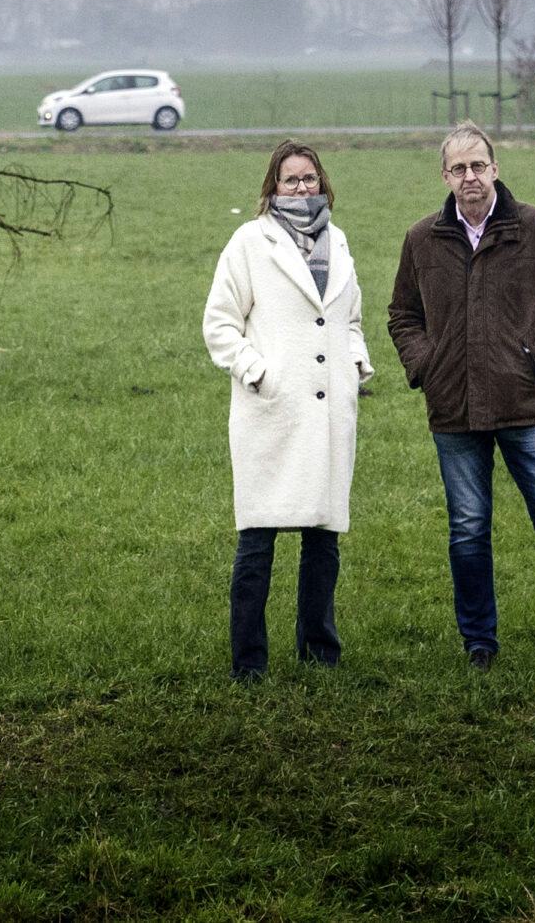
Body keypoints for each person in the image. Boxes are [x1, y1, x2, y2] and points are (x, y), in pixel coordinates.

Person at [386, 123, 535, 676]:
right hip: (454, 408)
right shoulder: (422, 239)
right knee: (468, 529)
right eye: (458, 168)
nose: (469, 177)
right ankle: (480, 645)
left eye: (478, 166)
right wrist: (426, 365)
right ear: (444, 176)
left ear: (495, 168)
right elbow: (403, 314)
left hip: (525, 405)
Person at [202, 140, 375, 681]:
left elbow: (348, 318)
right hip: (272, 411)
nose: (301, 188)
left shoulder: (338, 242)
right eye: (289, 180)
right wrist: (257, 372)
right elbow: (220, 323)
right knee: (258, 536)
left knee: (323, 538)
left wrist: (355, 363)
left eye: (308, 179)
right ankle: (248, 662)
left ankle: (319, 651)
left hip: (327, 411)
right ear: (272, 187)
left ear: (322, 183)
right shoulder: (250, 242)